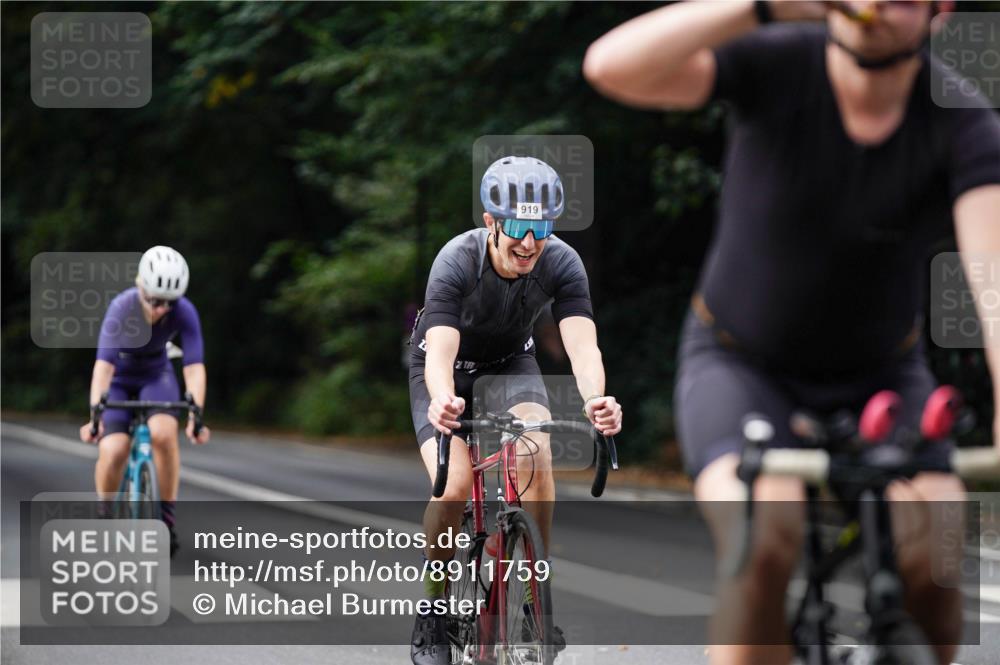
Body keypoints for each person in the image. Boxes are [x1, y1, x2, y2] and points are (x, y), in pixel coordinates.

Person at [585, 1, 1000, 663]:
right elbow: (610, 68)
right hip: (740, 367)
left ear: (938, 13)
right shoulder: (777, 61)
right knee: (764, 534)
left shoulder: (962, 117)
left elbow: (994, 280)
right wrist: (760, 6)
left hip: (882, 381)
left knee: (939, 553)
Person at [408, 156, 623, 665]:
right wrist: (442, 398)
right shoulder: (457, 260)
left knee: (536, 447)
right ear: (492, 222)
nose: (530, 242)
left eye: (542, 227)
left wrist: (597, 402)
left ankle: (533, 594)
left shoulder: (562, 262)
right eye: (520, 228)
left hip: (509, 364)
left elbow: (583, 348)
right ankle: (434, 612)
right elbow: (438, 350)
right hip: (442, 370)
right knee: (454, 486)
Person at [80, 246, 211, 556]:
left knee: (164, 436)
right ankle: (105, 511)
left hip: (156, 375)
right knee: (114, 450)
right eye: (153, 300)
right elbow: (104, 367)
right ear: (140, 287)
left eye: (168, 303)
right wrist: (95, 417)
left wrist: (196, 417)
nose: (160, 310)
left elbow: (194, 367)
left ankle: (166, 520)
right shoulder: (121, 308)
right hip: (120, 379)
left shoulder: (185, 311)